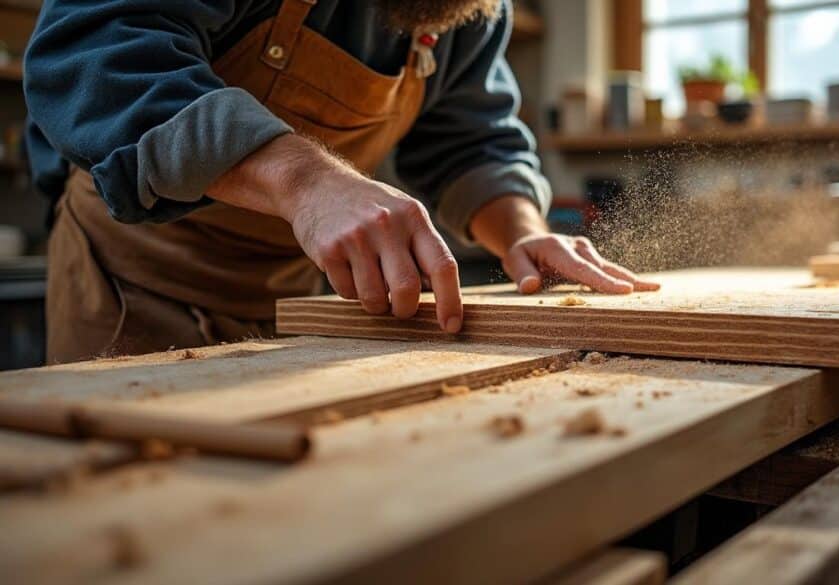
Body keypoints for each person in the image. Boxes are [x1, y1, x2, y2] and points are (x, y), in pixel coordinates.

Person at [24, 0, 657, 364]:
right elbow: (100, 54)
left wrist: (521, 230)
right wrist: (306, 182)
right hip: (134, 281)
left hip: (298, 302)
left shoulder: (472, 9)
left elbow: (471, 138)